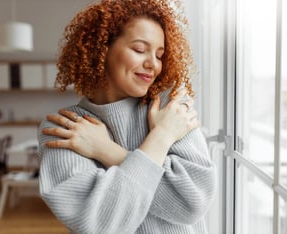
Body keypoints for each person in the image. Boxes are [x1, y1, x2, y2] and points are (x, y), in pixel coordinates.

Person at [38, 0, 216, 233]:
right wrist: (162, 137)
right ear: (101, 49)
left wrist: (107, 151)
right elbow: (99, 224)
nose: (153, 64)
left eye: (160, 55)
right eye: (140, 50)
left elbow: (190, 204)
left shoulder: (169, 109)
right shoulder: (66, 127)